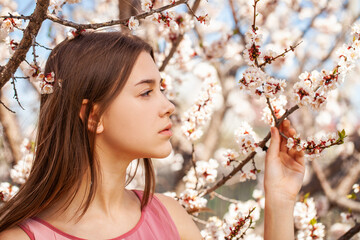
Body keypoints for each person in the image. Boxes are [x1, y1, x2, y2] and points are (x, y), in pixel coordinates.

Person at [0, 32, 304, 240]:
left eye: (162, 89)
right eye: (146, 92)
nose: (168, 106)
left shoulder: (170, 218)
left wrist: (279, 200)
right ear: (93, 116)